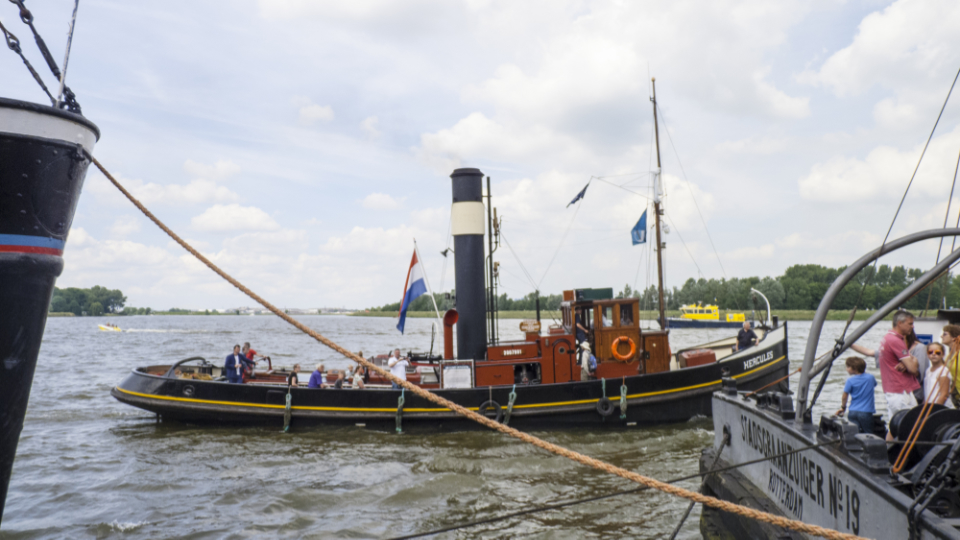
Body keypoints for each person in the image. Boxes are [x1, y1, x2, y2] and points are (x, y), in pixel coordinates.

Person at [877, 311, 921, 440]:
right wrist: (913, 361)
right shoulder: (896, 340)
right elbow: (913, 369)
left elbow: (909, 364)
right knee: (908, 426)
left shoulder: (887, 338)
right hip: (901, 391)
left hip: (893, 390)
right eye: (910, 324)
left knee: (894, 426)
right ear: (900, 323)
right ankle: (905, 457)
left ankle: (888, 454)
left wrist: (909, 361)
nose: (912, 327)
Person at [836, 356, 876, 434]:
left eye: (848, 367)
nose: (846, 369)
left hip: (853, 411)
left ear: (854, 368)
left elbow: (845, 396)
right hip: (866, 412)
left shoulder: (850, 380)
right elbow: (874, 384)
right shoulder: (870, 378)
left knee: (854, 434)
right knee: (868, 434)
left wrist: (843, 407)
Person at [923, 343, 952, 407]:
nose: (933, 354)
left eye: (937, 352)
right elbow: (927, 392)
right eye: (930, 352)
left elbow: (944, 394)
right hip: (929, 406)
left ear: (943, 355)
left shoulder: (943, 371)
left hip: (940, 408)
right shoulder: (928, 370)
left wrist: (935, 410)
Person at [943, 324, 960, 407]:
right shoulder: (948, 356)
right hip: (955, 396)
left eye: (945, 334)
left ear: (954, 337)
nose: (941, 336)